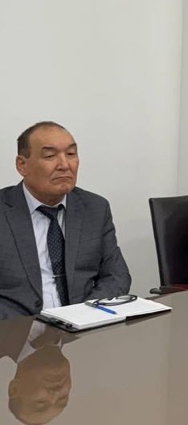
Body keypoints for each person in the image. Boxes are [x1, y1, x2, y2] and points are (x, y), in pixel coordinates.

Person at [0, 121, 131, 317]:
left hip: (83, 325)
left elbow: (116, 276)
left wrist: (84, 314)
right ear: (22, 165)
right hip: (16, 330)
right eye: (50, 156)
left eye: (71, 154)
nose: (64, 165)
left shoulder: (95, 208)